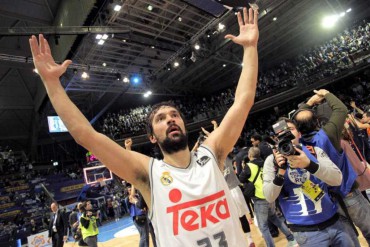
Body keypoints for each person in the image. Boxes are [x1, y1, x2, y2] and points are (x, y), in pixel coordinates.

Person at [29, 6, 259, 246]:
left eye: (174, 115)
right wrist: (52, 82)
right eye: (161, 118)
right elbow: (86, 135)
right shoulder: (148, 173)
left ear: (183, 123)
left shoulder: (212, 153)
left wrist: (250, 48)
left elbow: (243, 102)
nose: (170, 119)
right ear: (152, 137)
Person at [292, 89, 369, 245]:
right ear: (317, 121)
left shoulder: (297, 148)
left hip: (328, 201)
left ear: (298, 129)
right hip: (348, 193)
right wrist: (325, 94)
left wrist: (309, 103)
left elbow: (293, 119)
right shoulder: (328, 133)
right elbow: (341, 109)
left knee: (349, 240)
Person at [263, 118, 356, 247]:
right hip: (306, 233)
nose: (286, 135)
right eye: (281, 133)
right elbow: (269, 196)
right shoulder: (272, 161)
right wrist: (280, 173)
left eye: (290, 130)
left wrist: (309, 164)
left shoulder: (314, 151)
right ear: (276, 139)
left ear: (299, 134)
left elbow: (337, 179)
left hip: (335, 224)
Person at [239, 147, 297, 247]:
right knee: (275, 218)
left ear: (250, 155)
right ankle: (291, 238)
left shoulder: (249, 166)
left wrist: (242, 166)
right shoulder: (266, 162)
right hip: (270, 194)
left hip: (260, 198)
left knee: (263, 226)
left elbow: (241, 178)